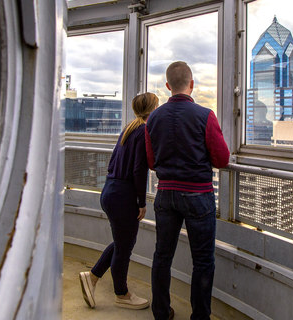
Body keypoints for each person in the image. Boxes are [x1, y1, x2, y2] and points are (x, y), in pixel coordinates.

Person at [145, 61, 230, 320]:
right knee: (203, 261)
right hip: (198, 195)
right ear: (191, 85)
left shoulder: (153, 118)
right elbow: (222, 159)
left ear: (168, 86)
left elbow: (151, 161)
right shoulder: (205, 116)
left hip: (166, 194)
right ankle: (200, 317)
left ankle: (161, 312)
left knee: (162, 256)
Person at [79, 92, 158, 310]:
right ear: (154, 108)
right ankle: (121, 294)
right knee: (124, 247)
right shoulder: (144, 131)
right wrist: (142, 201)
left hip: (111, 190)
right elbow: (138, 170)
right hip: (123, 195)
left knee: (122, 243)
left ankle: (92, 277)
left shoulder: (129, 128)